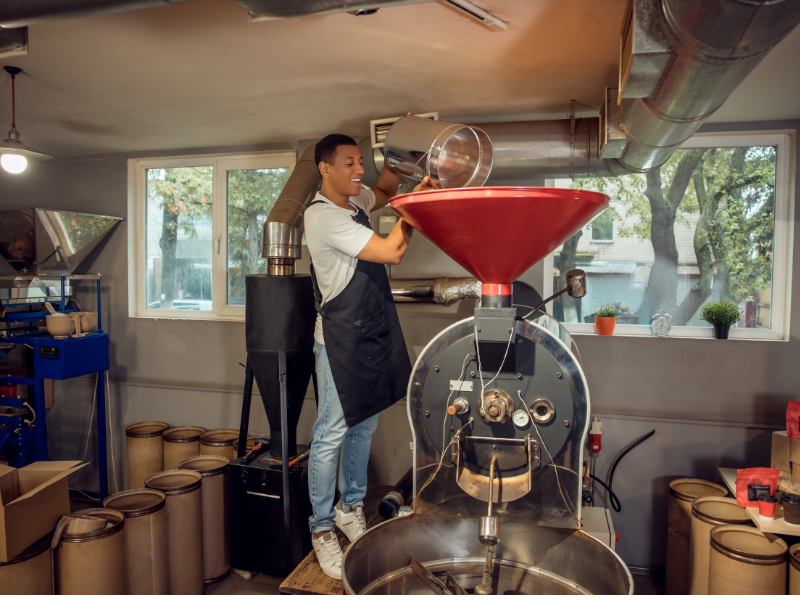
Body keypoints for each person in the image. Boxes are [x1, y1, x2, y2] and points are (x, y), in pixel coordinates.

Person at [303, 133, 431, 579]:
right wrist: (417, 206)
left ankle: (350, 507)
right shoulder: (323, 218)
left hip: (370, 335)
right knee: (331, 433)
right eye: (349, 163)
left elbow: (386, 190)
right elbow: (392, 251)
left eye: (361, 161)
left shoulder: (354, 205)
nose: (358, 170)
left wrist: (399, 151)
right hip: (338, 342)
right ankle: (321, 528)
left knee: (364, 424)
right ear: (325, 168)